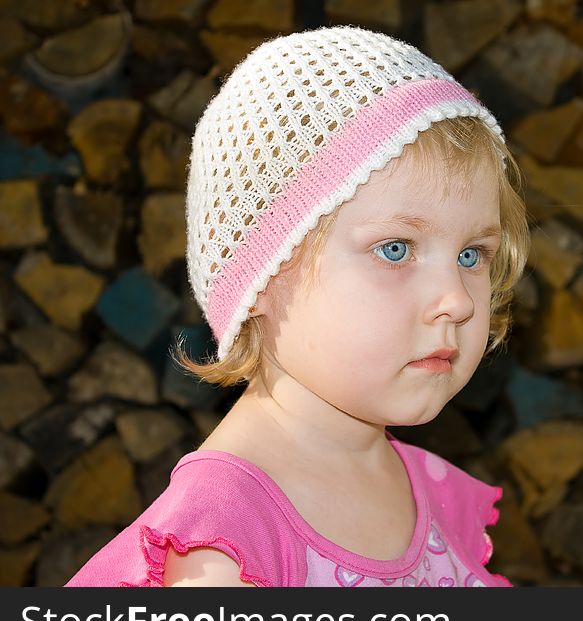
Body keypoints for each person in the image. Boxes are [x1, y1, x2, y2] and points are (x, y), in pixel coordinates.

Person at [66, 25, 530, 587]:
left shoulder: (431, 497)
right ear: (262, 272)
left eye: (472, 254)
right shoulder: (221, 549)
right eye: (395, 249)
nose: (457, 300)